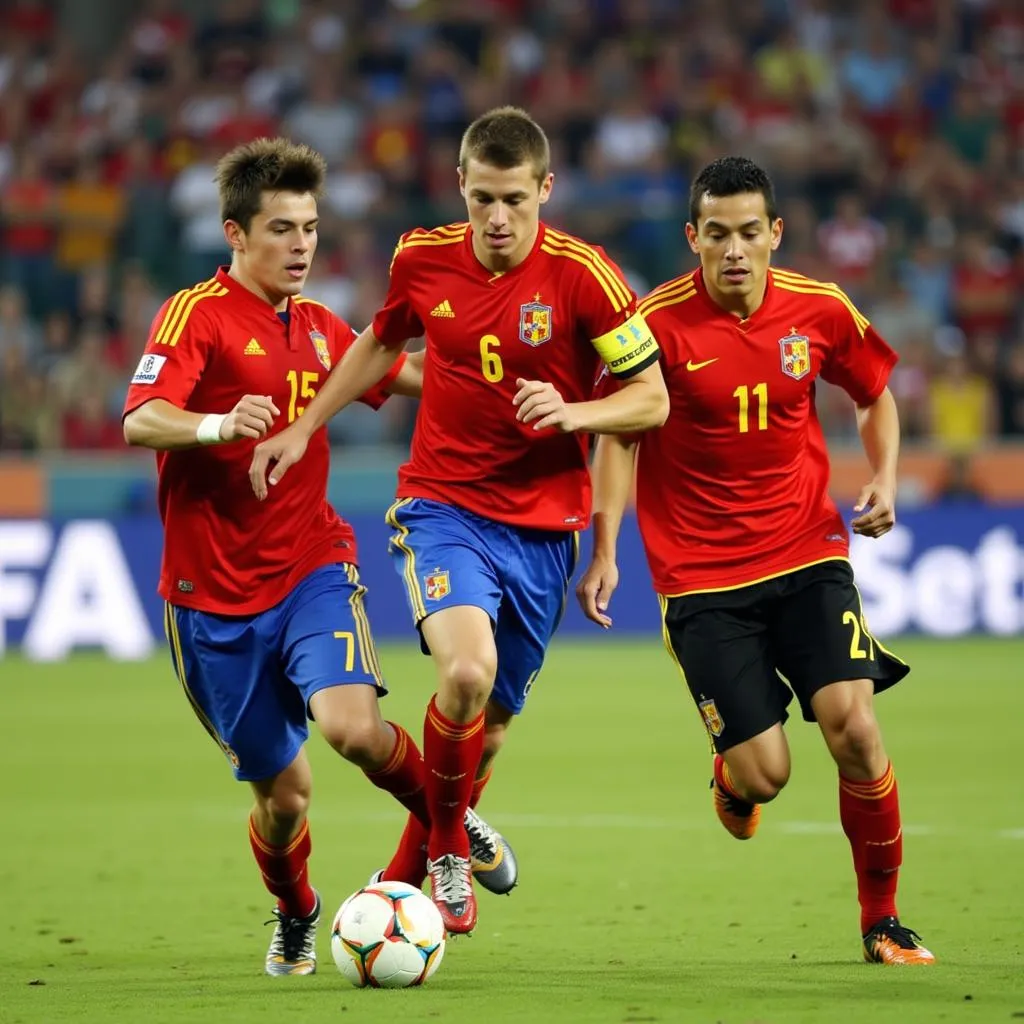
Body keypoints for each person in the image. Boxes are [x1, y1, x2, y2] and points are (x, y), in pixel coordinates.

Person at [248, 107, 669, 934]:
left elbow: (650, 399)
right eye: (483, 199)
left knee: (492, 730)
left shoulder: (586, 277)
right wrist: (304, 426)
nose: (498, 218)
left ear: (546, 189)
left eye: (515, 199)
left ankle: (402, 877)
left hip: (547, 529)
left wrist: (576, 413)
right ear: (461, 189)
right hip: (443, 506)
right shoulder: (423, 256)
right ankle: (445, 854)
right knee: (466, 675)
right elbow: (378, 342)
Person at [121, 137, 507, 975]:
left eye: (311, 228)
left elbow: (405, 373)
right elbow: (139, 418)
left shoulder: (325, 325)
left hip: (310, 567)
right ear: (235, 234)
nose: (302, 245)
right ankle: (297, 908)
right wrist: (220, 425)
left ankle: (448, 828)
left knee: (353, 728)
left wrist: (503, 382)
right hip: (210, 597)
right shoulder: (195, 316)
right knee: (283, 798)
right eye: (282, 229)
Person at [577, 156, 935, 966]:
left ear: (774, 233)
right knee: (765, 774)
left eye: (749, 232)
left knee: (855, 727)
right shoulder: (653, 326)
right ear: (692, 237)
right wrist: (604, 548)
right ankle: (732, 777)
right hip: (702, 580)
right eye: (716, 234)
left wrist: (882, 476)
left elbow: (873, 392)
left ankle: (882, 921)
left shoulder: (820, 308)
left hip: (808, 553)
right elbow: (617, 438)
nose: (733, 250)